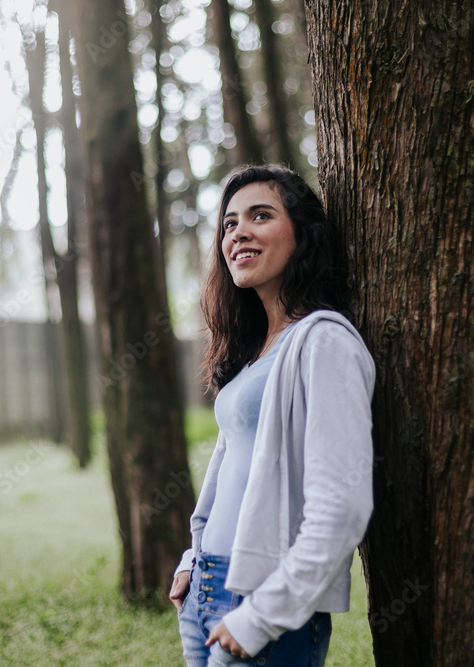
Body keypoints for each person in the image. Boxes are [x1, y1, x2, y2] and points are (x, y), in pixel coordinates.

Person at [169, 164, 376, 666]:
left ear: (302, 235)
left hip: (263, 600)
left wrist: (264, 614)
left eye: (260, 216)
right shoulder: (255, 353)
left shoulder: (324, 342)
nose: (239, 231)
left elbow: (342, 507)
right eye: (229, 223)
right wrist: (193, 559)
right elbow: (228, 464)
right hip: (208, 587)